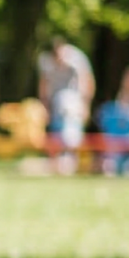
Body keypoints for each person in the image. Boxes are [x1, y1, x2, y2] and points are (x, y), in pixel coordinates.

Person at [38, 36, 95, 174]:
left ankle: (71, 159)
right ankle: (58, 161)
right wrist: (45, 106)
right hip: (56, 103)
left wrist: (85, 105)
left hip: (74, 101)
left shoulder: (77, 58)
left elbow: (87, 81)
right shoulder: (46, 61)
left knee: (72, 128)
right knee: (56, 131)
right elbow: (44, 86)